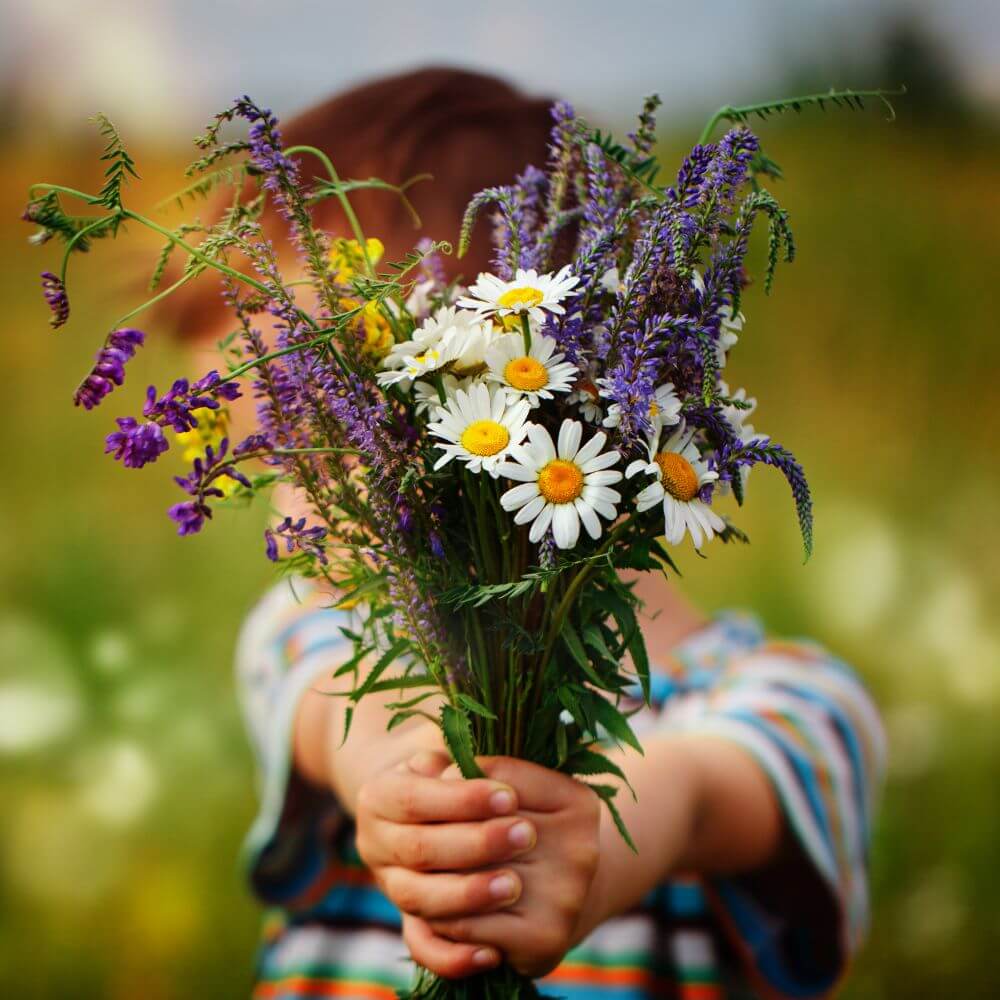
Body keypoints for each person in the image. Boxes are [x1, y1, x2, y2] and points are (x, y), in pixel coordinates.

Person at [168, 68, 885, 999]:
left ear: (510, 390)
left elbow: (719, 785)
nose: (287, 499)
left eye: (321, 434)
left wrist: (608, 834)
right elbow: (344, 705)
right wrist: (407, 775)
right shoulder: (311, 633)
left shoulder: (791, 703)